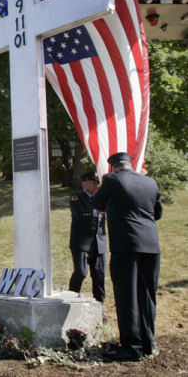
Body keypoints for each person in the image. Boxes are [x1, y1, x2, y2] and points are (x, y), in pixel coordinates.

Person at [93, 152, 163, 362]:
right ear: (130, 164)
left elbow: (97, 202)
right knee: (147, 295)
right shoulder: (150, 182)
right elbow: (157, 213)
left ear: (113, 167)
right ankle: (147, 342)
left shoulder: (112, 180)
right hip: (151, 245)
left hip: (126, 245)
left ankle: (131, 346)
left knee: (127, 296)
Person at [67, 172, 106, 303]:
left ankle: (99, 305)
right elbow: (78, 214)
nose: (96, 185)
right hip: (82, 242)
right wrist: (95, 212)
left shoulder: (100, 198)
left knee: (99, 275)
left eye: (97, 183)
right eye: (93, 182)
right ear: (85, 184)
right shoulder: (77, 197)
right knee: (81, 272)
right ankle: (71, 298)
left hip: (98, 242)